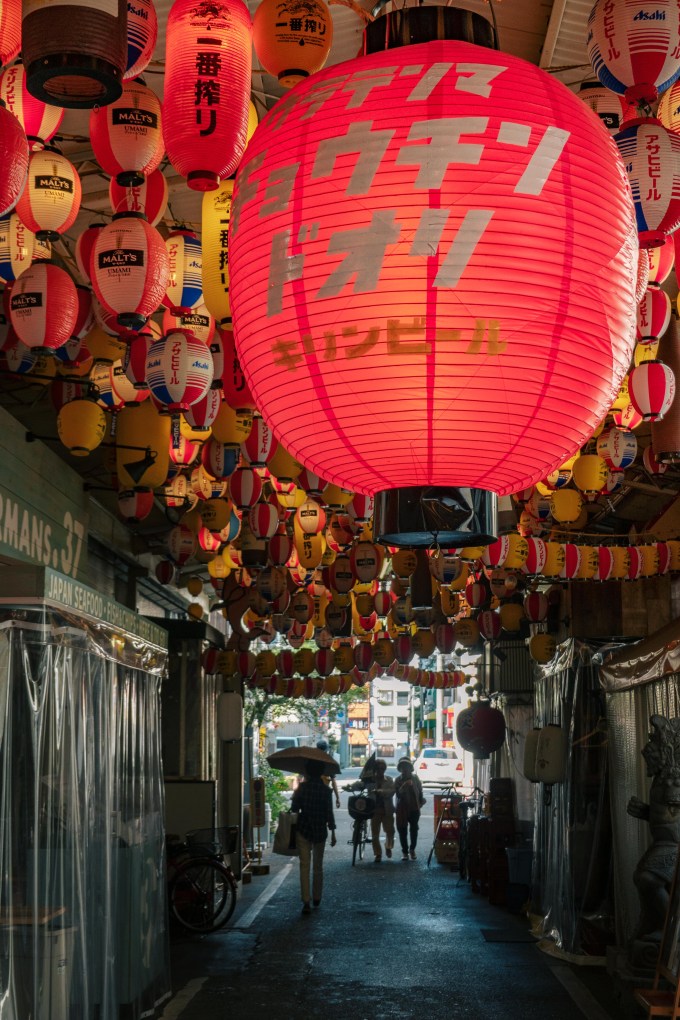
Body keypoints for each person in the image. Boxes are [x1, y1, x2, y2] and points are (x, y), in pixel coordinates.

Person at [291, 758, 337, 914]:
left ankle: (306, 901)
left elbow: (294, 809)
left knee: (304, 866)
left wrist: (295, 798)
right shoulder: (326, 791)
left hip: (303, 829)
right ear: (321, 773)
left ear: (308, 773)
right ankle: (317, 897)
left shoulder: (302, 788)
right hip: (320, 831)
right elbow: (329, 814)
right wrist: (333, 833)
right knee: (318, 866)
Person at [394, 757, 425, 861]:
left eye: (406, 767)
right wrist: (404, 785)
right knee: (402, 830)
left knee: (414, 829)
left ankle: (412, 849)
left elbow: (420, 791)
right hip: (402, 808)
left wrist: (421, 802)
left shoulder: (415, 778)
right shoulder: (398, 780)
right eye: (402, 767)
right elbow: (398, 794)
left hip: (414, 807)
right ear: (400, 769)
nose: (404, 769)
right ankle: (404, 851)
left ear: (410, 768)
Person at [368, 759, 395, 863]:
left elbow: (392, 791)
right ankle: (378, 854)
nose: (381, 771)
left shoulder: (389, 780)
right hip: (374, 811)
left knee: (390, 831)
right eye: (378, 768)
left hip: (387, 810)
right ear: (375, 769)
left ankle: (388, 847)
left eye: (383, 768)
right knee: (375, 834)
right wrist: (351, 787)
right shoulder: (370, 780)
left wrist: (380, 792)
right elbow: (360, 785)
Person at [316, 739, 341, 808]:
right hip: (324, 793)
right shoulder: (328, 762)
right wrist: (337, 798)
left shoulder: (312, 760)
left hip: (311, 792)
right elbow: (333, 782)